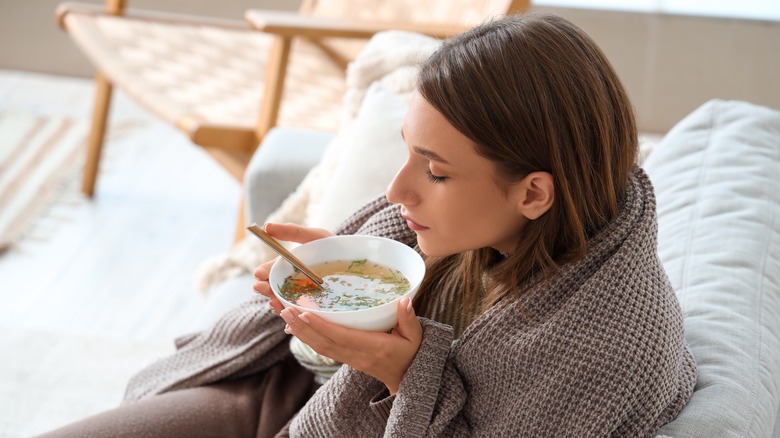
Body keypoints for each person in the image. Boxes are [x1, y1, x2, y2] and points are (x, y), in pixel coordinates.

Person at [36, 12, 696, 437]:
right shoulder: (466, 231)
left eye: (434, 171)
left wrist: (409, 375)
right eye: (407, 149)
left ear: (533, 194)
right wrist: (328, 279)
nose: (395, 189)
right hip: (299, 390)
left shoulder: (602, 349)